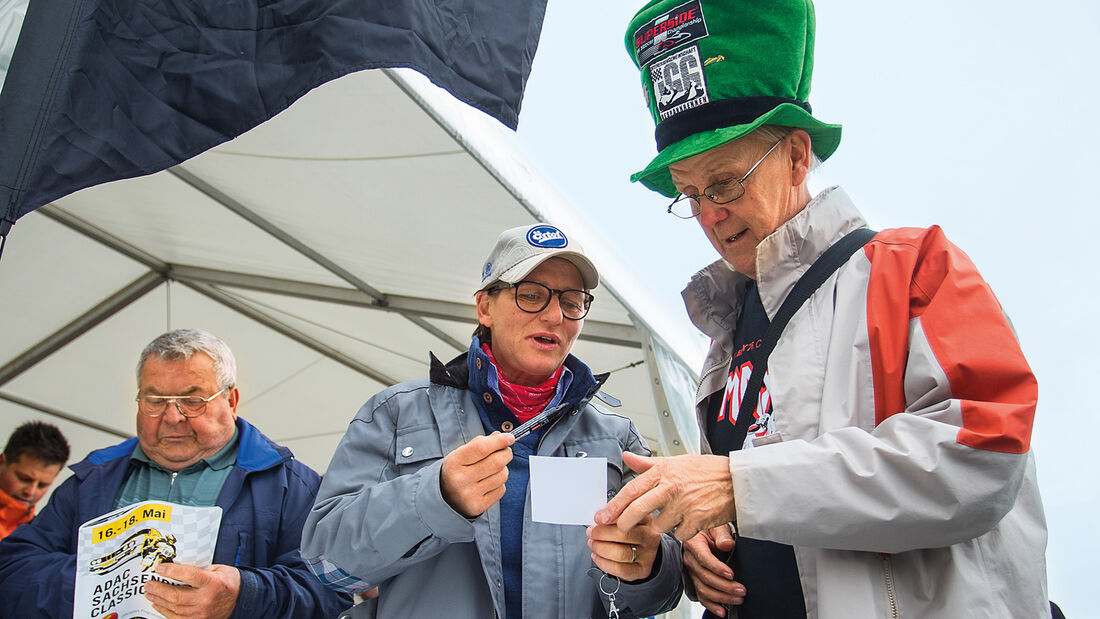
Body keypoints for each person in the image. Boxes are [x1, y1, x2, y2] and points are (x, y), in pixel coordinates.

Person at [595, 1, 1049, 618]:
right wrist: (699, 539)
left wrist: (736, 486)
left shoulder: (915, 266)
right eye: (688, 193)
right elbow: (766, 518)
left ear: (797, 155)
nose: (706, 215)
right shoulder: (728, 329)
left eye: (725, 182)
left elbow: (984, 455)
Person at [302, 224, 684, 617]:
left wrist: (649, 569)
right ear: (485, 307)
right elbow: (327, 566)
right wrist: (436, 497)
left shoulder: (617, 439)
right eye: (532, 295)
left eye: (572, 302)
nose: (555, 316)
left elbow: (662, 594)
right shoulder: (396, 414)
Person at [0, 328, 351, 619]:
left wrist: (242, 595)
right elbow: (12, 570)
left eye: (192, 400)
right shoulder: (93, 477)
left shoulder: (291, 485)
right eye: (155, 401)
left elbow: (331, 591)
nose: (172, 417)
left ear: (230, 400)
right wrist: (93, 583)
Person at [0, 421, 69, 541]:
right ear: (1, 463)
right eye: (24, 479)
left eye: (42, 485)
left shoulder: (40, 540)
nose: (30, 492)